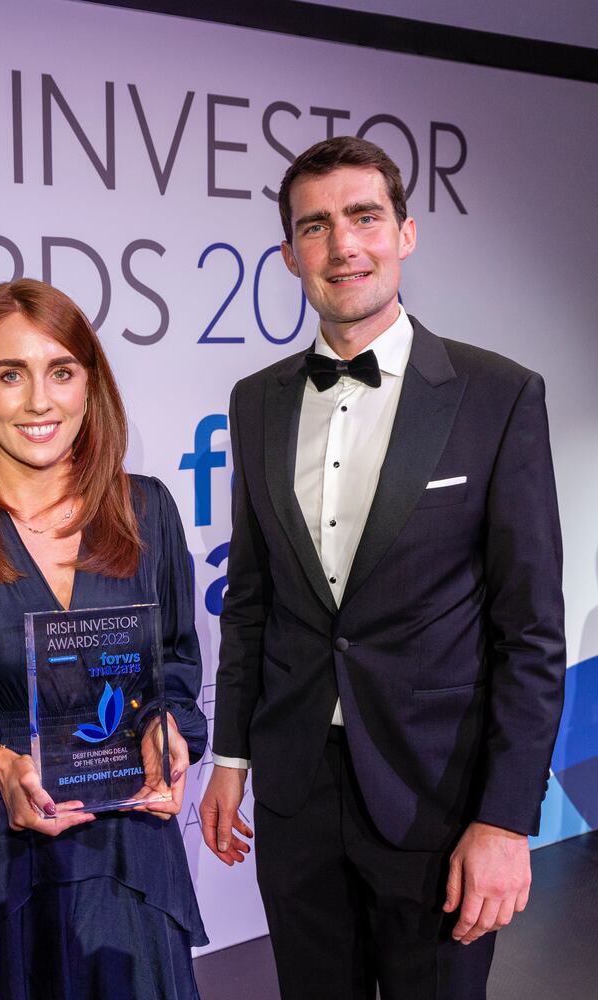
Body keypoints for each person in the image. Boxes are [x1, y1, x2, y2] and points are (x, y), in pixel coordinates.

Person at [199, 136, 565, 1000]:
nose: (343, 246)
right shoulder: (256, 400)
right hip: (295, 794)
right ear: (290, 254)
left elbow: (531, 633)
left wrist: (507, 821)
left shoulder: (498, 395)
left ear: (406, 232)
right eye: (316, 227)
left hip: (437, 796)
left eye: (364, 217)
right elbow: (251, 600)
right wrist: (231, 759)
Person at [0, 279, 207, 999]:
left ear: (91, 385)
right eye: (10, 374)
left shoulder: (147, 510)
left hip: (127, 863)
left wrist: (166, 733)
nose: (39, 401)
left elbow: (174, 665)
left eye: (61, 371)